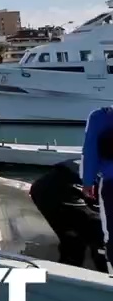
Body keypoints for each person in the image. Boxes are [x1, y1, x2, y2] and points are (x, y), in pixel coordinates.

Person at [30, 158, 108, 271]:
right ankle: (106, 278)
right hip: (68, 188)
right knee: (100, 234)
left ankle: (67, 271)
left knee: (75, 240)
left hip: (44, 185)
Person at [81, 105, 113, 275]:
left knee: (111, 233)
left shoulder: (100, 116)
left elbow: (90, 150)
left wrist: (88, 182)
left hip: (110, 182)